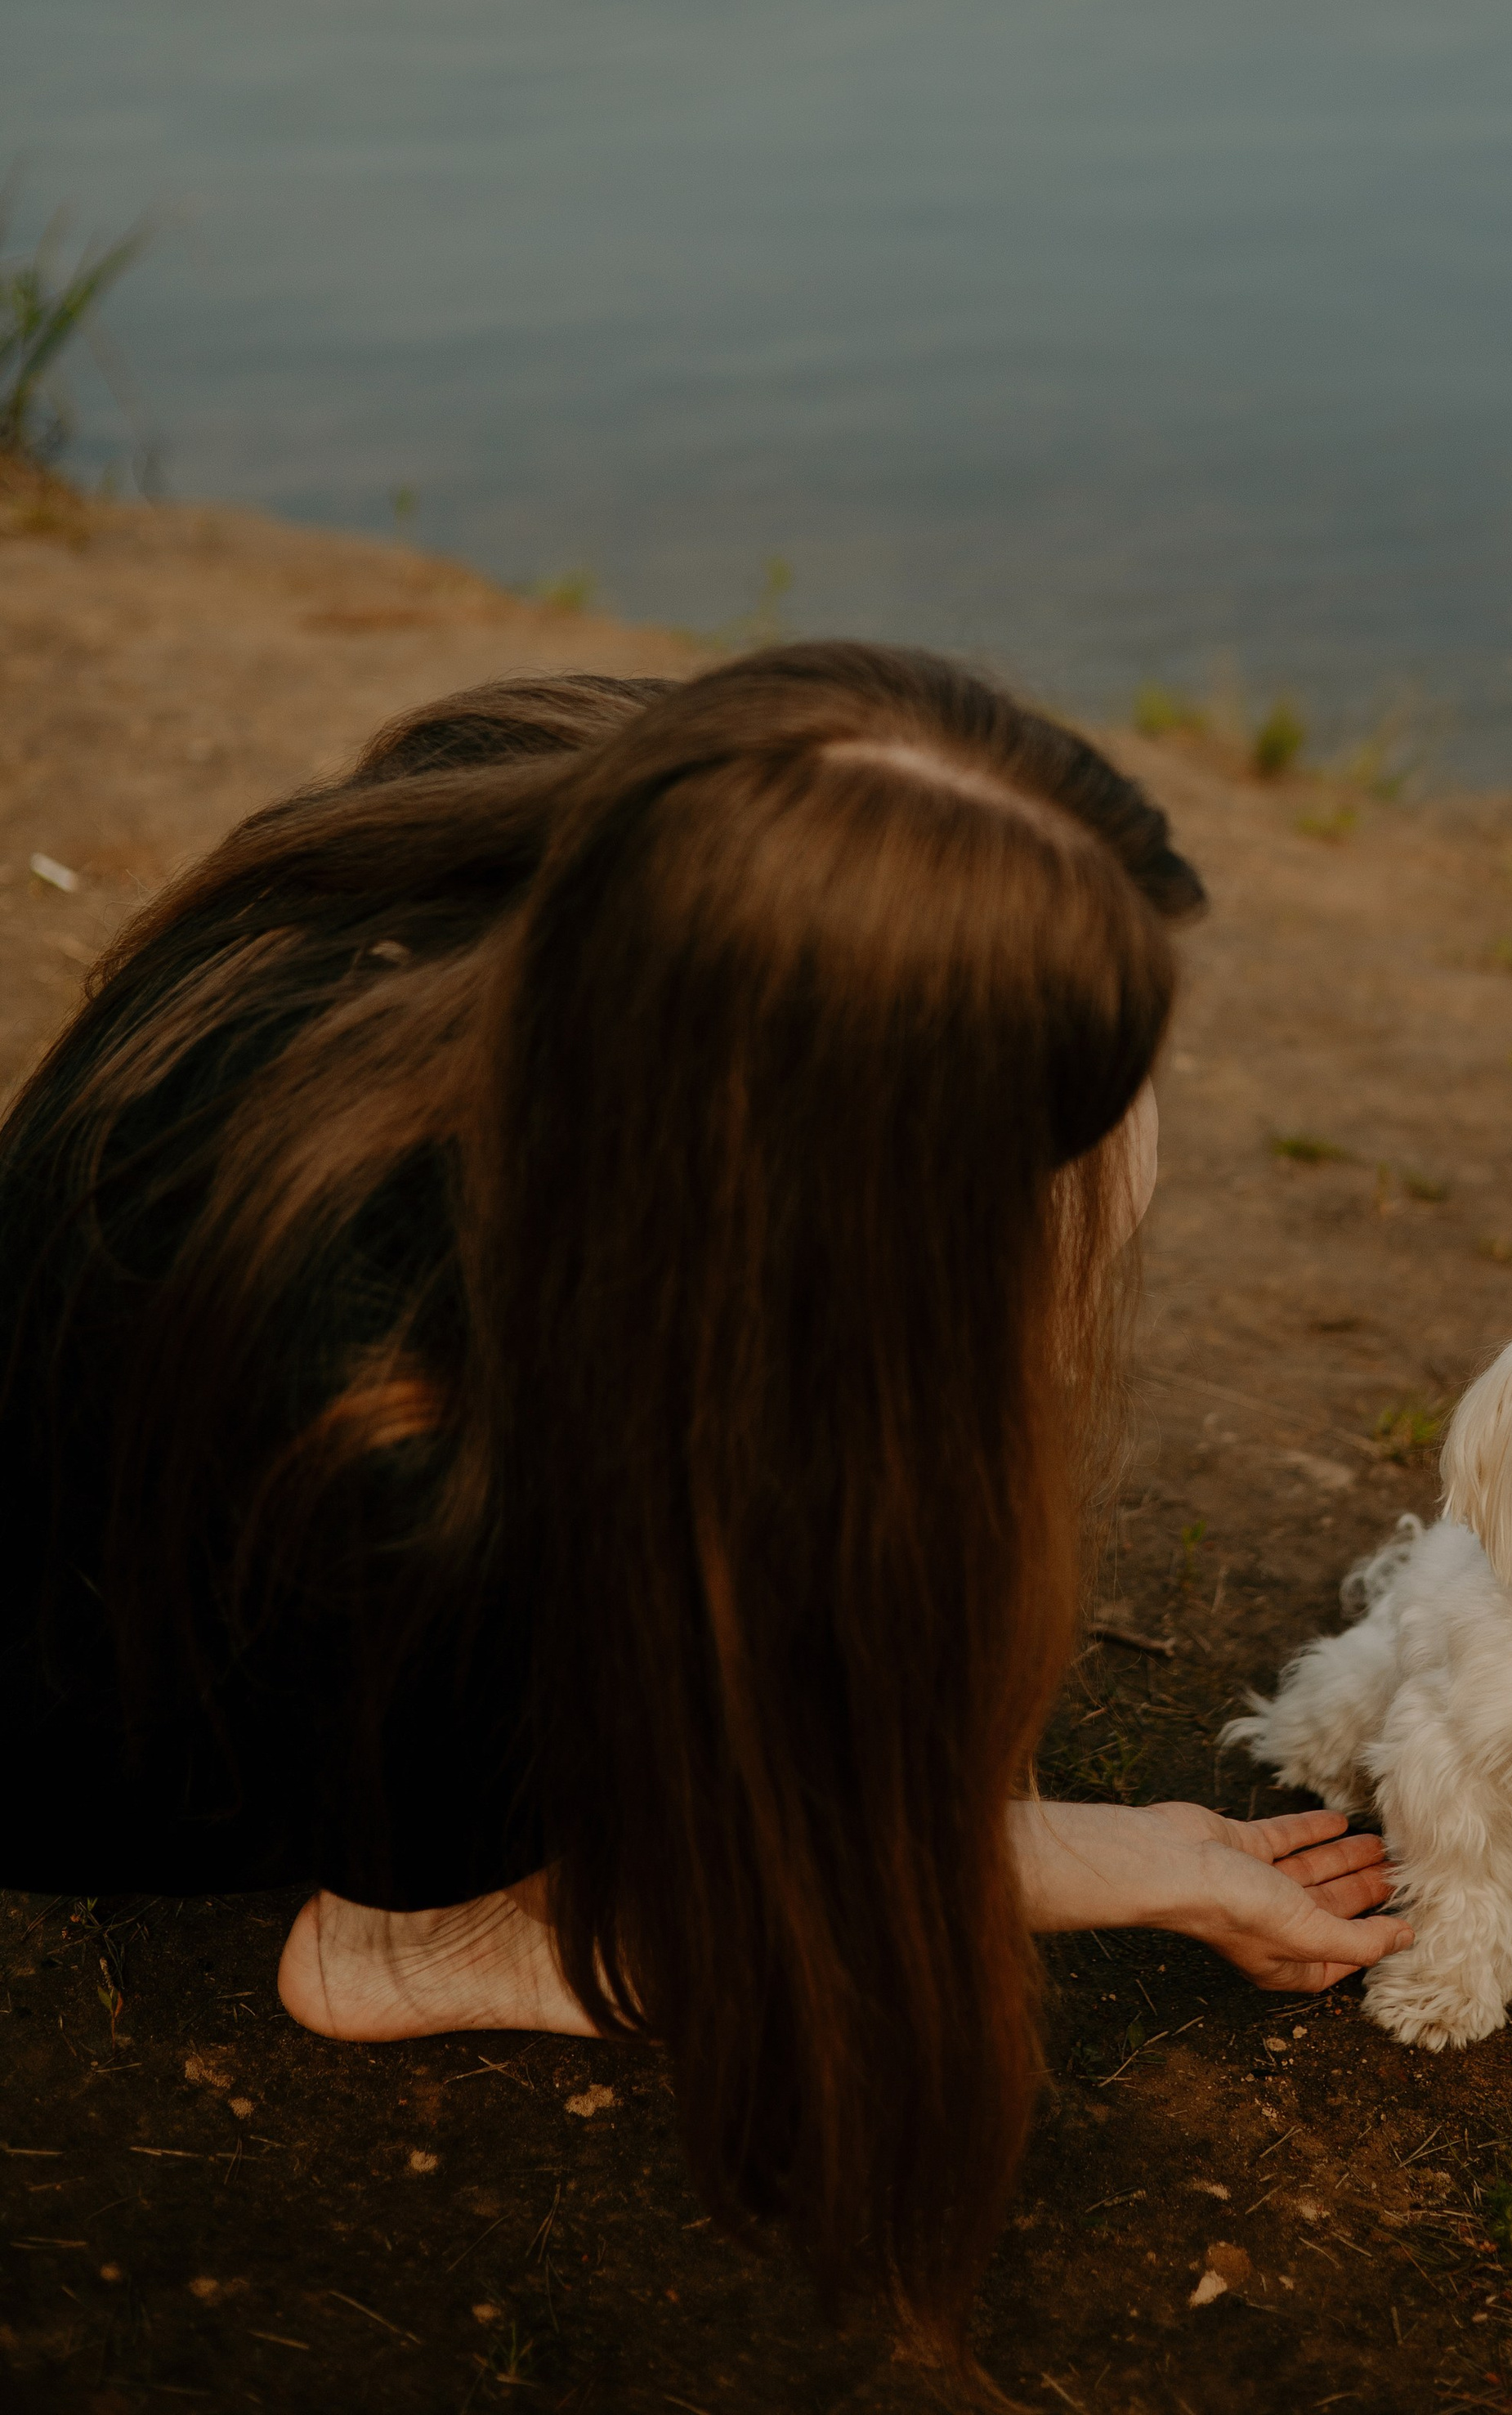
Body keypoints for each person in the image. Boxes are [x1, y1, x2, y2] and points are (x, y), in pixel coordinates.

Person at [1, 644, 1405, 2363]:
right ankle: (436, 1933)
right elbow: (750, 1798)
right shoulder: (421, 1464)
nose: (1132, 1123)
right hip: (144, 1716)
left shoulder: (523, 793)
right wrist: (1101, 1856)